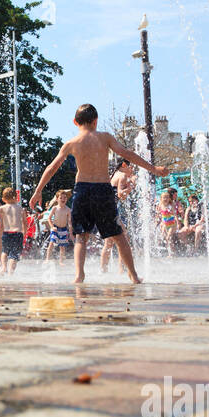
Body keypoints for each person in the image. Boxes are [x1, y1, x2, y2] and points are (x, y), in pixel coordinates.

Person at [30, 103, 168, 283]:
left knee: (81, 236)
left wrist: (37, 191)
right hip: (103, 189)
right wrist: (154, 169)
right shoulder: (105, 137)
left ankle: (79, 275)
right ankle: (133, 275)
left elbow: (52, 167)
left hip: (82, 190)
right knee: (118, 235)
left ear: (74, 122)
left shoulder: (71, 143)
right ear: (96, 121)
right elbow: (127, 154)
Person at [102, 162, 134, 271]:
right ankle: (122, 270)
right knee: (124, 239)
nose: (133, 169)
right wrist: (130, 188)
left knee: (109, 243)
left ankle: (104, 271)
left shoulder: (115, 174)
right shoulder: (123, 175)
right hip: (110, 211)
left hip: (106, 209)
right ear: (124, 165)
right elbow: (121, 194)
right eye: (132, 166)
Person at [0, 187, 26, 275]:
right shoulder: (20, 209)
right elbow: (25, 223)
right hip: (17, 233)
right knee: (14, 255)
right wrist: (24, 233)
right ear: (16, 197)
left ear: (3, 199)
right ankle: (11, 271)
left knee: (5, 251)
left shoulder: (3, 208)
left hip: (6, 233)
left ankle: (3, 267)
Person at [42, 189, 72, 264]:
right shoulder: (55, 208)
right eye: (61, 198)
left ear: (67, 199)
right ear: (57, 199)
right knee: (51, 243)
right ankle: (47, 259)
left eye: (65, 197)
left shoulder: (68, 210)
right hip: (55, 228)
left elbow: (69, 222)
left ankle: (61, 261)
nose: (63, 199)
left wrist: (71, 233)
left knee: (62, 247)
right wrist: (52, 227)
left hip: (63, 229)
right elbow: (49, 218)